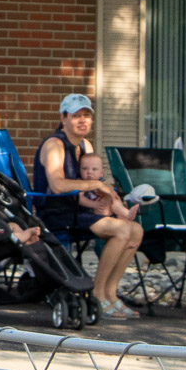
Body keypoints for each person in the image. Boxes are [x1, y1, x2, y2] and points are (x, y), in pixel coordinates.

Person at [32, 94, 144, 317]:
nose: (82, 120)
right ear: (63, 118)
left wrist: (108, 201)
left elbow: (97, 183)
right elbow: (57, 184)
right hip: (56, 213)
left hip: (81, 211)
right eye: (76, 116)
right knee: (122, 230)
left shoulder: (85, 145)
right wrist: (93, 184)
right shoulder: (55, 145)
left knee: (136, 230)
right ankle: (97, 295)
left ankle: (110, 293)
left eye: (86, 115)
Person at [76, 153, 141, 225]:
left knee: (114, 200)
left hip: (105, 209)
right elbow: (79, 198)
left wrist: (111, 195)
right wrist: (93, 204)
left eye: (94, 169)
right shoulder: (80, 183)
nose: (89, 172)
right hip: (90, 210)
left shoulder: (101, 181)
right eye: (84, 168)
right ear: (79, 170)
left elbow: (111, 191)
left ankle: (126, 213)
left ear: (101, 173)